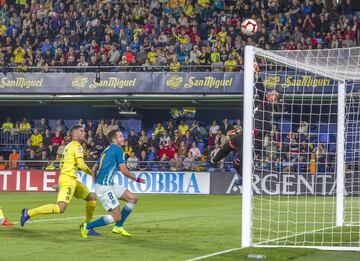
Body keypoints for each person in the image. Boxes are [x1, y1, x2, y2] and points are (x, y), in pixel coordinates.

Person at [21, 125, 98, 235]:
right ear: (75, 134)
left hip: (70, 179)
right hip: (69, 180)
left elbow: (62, 164)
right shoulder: (77, 146)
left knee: (92, 198)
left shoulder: (68, 146)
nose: (84, 133)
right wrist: (92, 173)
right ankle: (28, 212)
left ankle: (87, 226)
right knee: (60, 208)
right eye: (82, 131)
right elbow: (81, 164)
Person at [80, 129, 146, 238]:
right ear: (114, 139)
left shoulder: (106, 150)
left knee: (133, 198)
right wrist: (137, 179)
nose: (123, 138)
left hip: (108, 184)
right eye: (120, 136)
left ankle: (118, 227)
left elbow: (94, 169)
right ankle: (86, 226)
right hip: (105, 187)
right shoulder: (118, 149)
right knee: (116, 217)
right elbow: (124, 171)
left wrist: (96, 183)